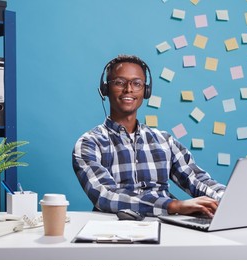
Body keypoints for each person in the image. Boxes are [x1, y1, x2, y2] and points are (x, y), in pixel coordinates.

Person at [72, 54, 225, 217]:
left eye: (136, 83)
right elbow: (105, 196)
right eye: (119, 82)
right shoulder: (89, 143)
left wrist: (229, 199)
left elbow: (197, 179)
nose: (128, 89)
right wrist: (173, 205)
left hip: (167, 227)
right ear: (105, 89)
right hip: (114, 229)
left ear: (146, 91)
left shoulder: (165, 141)